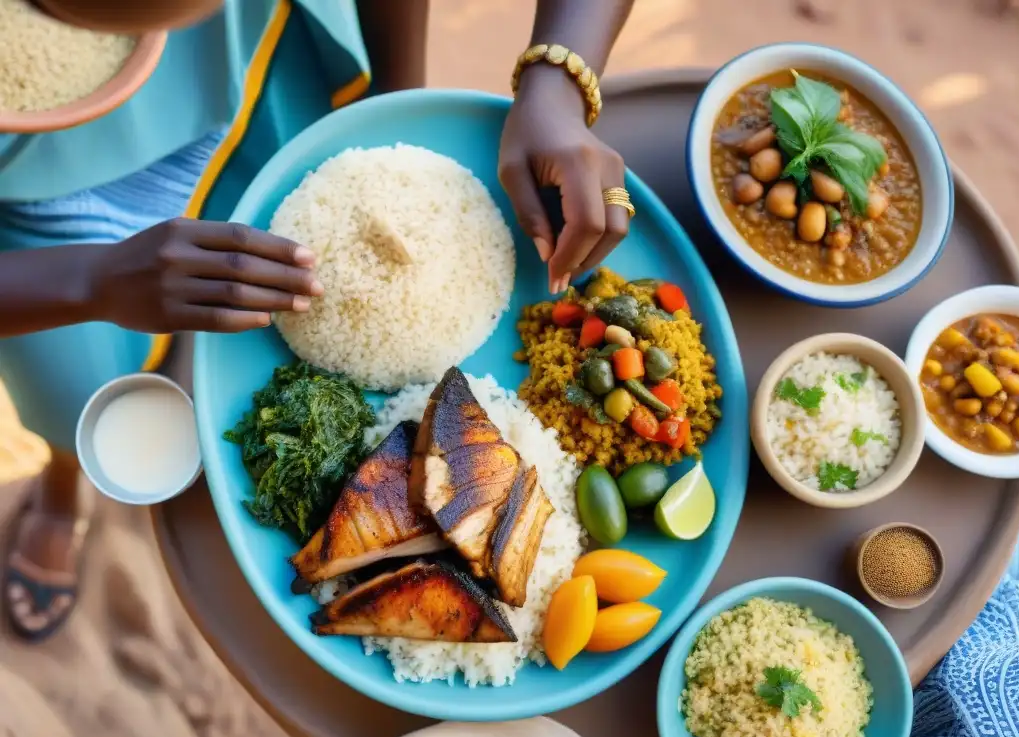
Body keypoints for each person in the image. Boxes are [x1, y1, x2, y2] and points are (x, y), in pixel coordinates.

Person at [0, 0, 636, 642]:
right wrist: (89, 281)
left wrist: (553, 75)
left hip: (266, 66)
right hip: (36, 207)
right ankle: (62, 484)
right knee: (72, 393)